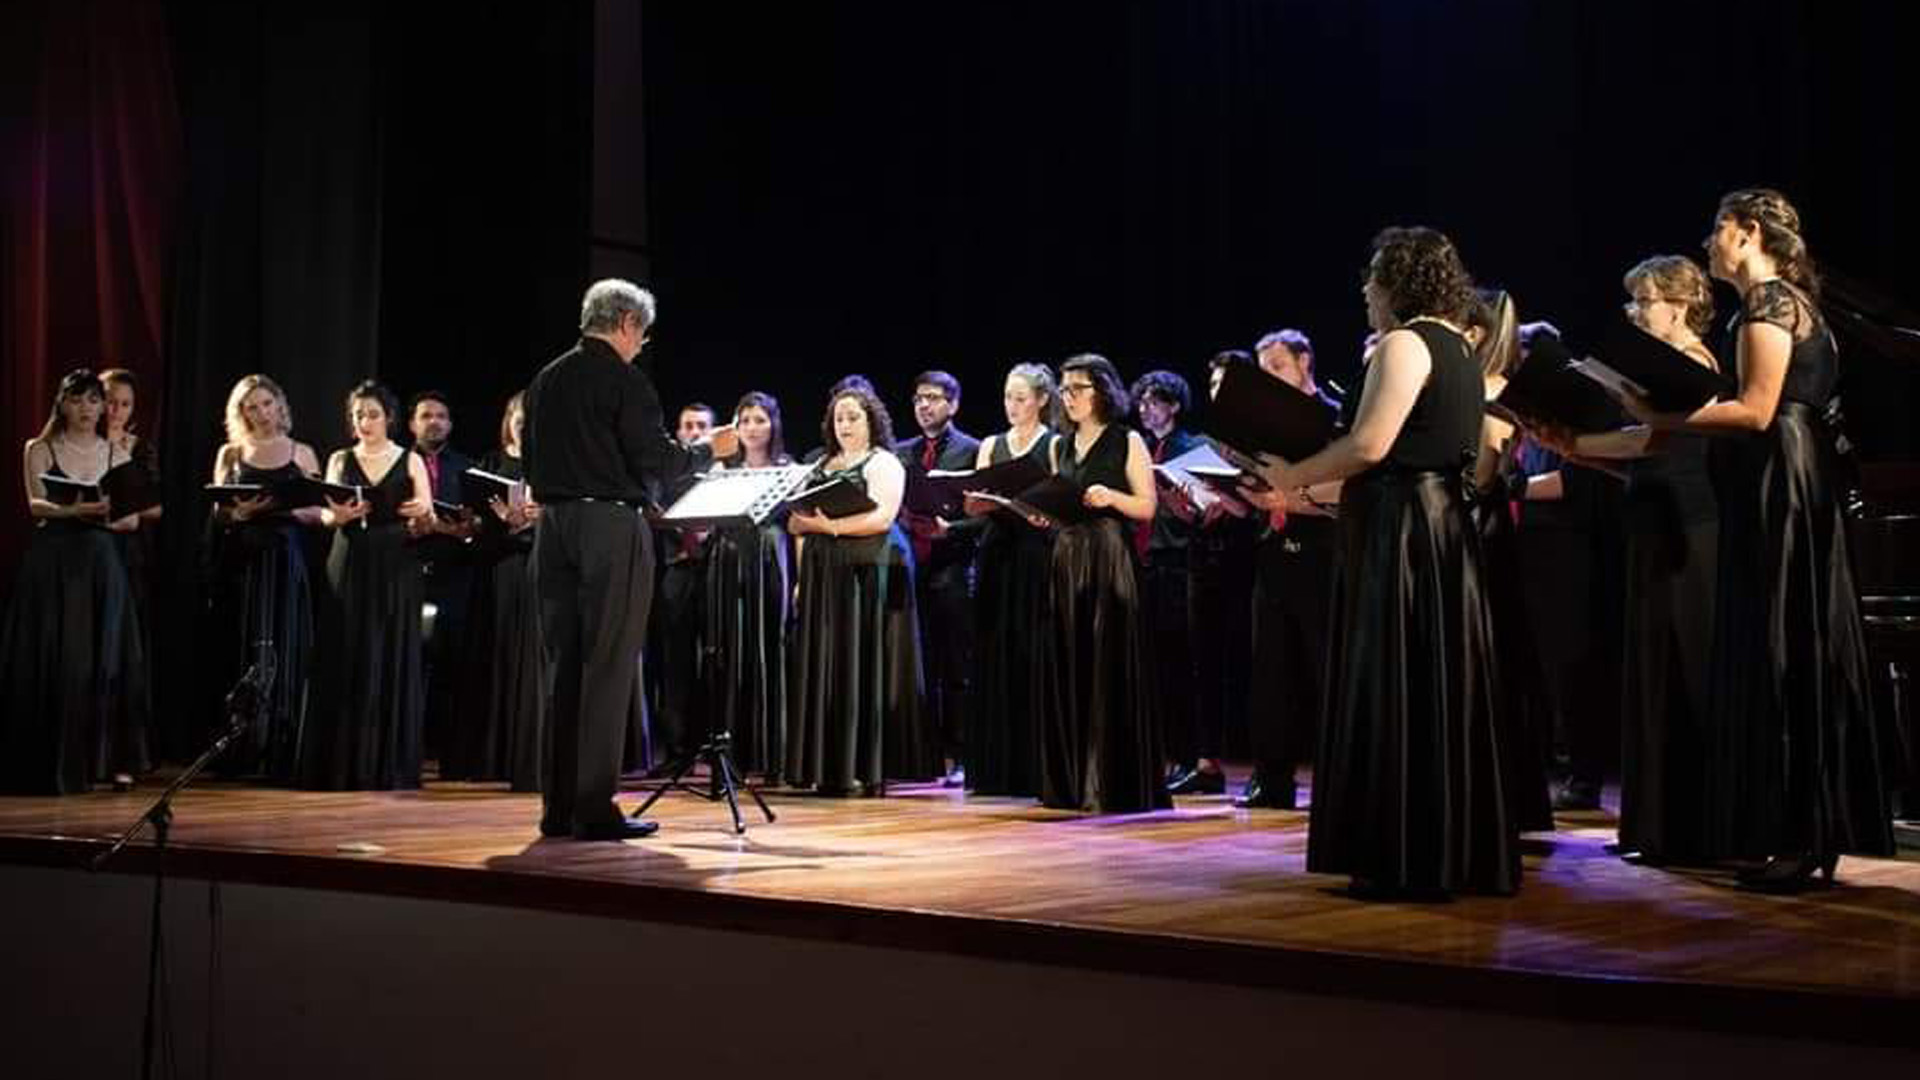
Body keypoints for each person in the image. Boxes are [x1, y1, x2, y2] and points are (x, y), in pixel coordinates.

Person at [1622, 190, 1893, 889]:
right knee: (1789, 643)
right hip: (1787, 473)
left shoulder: (1769, 304)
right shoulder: (1788, 303)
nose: (1710, 242)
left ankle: (1799, 837)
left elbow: (1756, 409)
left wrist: (1659, 411)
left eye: (1718, 229)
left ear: (1747, 234)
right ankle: (1799, 831)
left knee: (1782, 644)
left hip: (1783, 477)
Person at [1261, 227, 1517, 898]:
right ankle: (1447, 848)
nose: (1365, 288)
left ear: (1401, 283)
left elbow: (1371, 444)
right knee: (1433, 688)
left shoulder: (1406, 342)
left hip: (1403, 529)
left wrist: (1294, 476)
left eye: (1375, 275)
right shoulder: (1462, 348)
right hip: (1438, 527)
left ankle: (1401, 850)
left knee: (1395, 681)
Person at [522, 279, 734, 840]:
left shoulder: (544, 379)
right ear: (626, 325)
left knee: (561, 669)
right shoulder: (624, 379)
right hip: (610, 527)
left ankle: (558, 807)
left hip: (553, 527)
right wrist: (709, 448)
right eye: (642, 334)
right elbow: (658, 460)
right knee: (608, 666)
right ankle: (593, 808)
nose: (642, 344)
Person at [1545, 257, 1722, 863]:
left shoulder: (1696, 363)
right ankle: (1659, 827)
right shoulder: (1664, 373)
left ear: (1678, 305)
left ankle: (1697, 828)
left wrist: (1577, 443)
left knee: (1683, 669)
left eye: (1645, 301)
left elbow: (1654, 441)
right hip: (1652, 522)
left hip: (1689, 530)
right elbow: (1636, 457)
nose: (1636, 313)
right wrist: (1575, 450)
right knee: (1654, 671)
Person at [0, 369, 151, 794]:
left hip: (101, 563)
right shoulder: (40, 447)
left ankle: (98, 762)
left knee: (96, 658)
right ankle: (43, 761)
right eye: (77, 400)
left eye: (93, 401)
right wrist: (78, 512)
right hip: (52, 562)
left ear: (102, 407)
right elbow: (35, 505)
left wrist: (107, 514)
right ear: (62, 404)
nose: (86, 409)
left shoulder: (115, 454)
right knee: (54, 655)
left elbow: (133, 517)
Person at [786, 385, 935, 794]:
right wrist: (801, 578)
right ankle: (826, 764)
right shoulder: (820, 463)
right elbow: (797, 525)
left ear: (871, 420)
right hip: (824, 573)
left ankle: (863, 764)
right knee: (827, 663)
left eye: (854, 417)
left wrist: (823, 526)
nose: (846, 425)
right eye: (839, 418)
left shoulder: (883, 462)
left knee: (861, 662)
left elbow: (881, 520)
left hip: (866, 571)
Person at [1038, 354, 1169, 814]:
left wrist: (1111, 496)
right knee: (1071, 661)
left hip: (1109, 555)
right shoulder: (1060, 445)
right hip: (1068, 555)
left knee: (1108, 662)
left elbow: (1147, 507)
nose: (1069, 397)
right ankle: (1073, 781)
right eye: (1064, 389)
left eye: (1078, 388)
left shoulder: (1126, 439)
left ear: (1102, 391)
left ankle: (1112, 782)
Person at [302, 381, 434, 791]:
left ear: (389, 418)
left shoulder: (409, 459)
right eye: (358, 415)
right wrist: (337, 516)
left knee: (388, 649)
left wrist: (418, 514)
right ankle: (340, 762)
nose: (365, 422)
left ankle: (386, 762)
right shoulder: (341, 459)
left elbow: (425, 517)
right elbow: (326, 517)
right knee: (347, 650)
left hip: (394, 563)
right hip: (350, 559)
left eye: (373, 414)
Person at [1233, 335, 1341, 810]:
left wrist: (1289, 498)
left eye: (1278, 366)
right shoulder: (1264, 425)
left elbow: (1347, 491)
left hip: (1323, 553)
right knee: (1271, 670)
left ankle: (1338, 779)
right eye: (1264, 371)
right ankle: (1272, 779)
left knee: (1323, 667)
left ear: (1304, 362)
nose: (1270, 378)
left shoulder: (1337, 416)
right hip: (1274, 551)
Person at [1463, 293, 1556, 833]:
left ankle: (1497, 800)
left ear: (1476, 334)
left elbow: (1480, 478)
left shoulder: (1491, 391)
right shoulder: (1495, 388)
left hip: (1486, 535)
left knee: (1492, 664)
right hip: (1490, 533)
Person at [204, 374, 326, 781]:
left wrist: (283, 508)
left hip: (286, 557)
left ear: (280, 406)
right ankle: (241, 747)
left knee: (285, 647)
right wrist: (238, 513)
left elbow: (318, 513)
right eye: (251, 407)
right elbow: (217, 511)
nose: (260, 413)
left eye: (266, 404)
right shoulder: (231, 453)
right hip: (243, 560)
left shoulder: (301, 452)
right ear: (241, 413)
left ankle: (282, 750)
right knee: (242, 646)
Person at [963, 363, 1061, 797]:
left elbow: (1060, 500)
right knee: (994, 649)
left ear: (1041, 400)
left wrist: (1039, 510)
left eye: (1021, 398)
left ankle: (1034, 765)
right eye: (1007, 397)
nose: (1012, 406)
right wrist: (981, 503)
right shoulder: (991, 445)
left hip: (1035, 556)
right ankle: (994, 768)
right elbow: (973, 504)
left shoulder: (1054, 443)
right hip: (997, 552)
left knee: (1031, 650)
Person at [446, 391, 545, 788]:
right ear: (509, 418)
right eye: (518, 415)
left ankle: (525, 756)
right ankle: (489, 755)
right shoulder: (489, 462)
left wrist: (535, 519)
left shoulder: (551, 462)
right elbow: (473, 517)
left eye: (531, 415)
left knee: (529, 662)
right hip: (498, 567)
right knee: (496, 654)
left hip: (537, 565)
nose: (523, 421)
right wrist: (498, 519)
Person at [895, 370, 982, 786]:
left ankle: (964, 756)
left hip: (954, 566)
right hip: (914, 566)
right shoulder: (901, 452)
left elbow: (985, 515)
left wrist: (951, 530)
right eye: (917, 399)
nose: (923, 406)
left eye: (932, 398)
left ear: (954, 404)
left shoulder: (972, 450)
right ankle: (923, 756)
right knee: (920, 665)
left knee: (957, 668)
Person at [704, 391, 795, 779]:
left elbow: (797, 530)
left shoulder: (789, 468)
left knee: (769, 650)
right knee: (730, 650)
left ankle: (773, 756)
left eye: (760, 420)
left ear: (773, 424)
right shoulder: (721, 469)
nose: (752, 428)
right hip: (728, 561)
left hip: (770, 560)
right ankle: (731, 757)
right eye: (744, 421)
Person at [405, 390, 478, 770]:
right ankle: (406, 750)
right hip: (409, 572)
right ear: (412, 423)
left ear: (450, 424)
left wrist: (459, 530)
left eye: (441, 415)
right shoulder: (398, 463)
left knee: (452, 667)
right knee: (409, 666)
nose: (434, 421)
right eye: (426, 415)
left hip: (454, 575)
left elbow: (476, 526)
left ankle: (450, 754)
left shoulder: (466, 469)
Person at [646, 402, 720, 769]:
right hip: (676, 569)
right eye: (687, 426)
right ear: (677, 434)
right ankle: (677, 750)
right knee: (674, 663)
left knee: (714, 657)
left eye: (701, 427)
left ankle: (715, 744)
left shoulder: (721, 472)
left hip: (713, 569)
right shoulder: (663, 476)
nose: (693, 432)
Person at [100, 368, 165, 771]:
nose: (116, 410)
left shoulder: (140, 449)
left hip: (126, 552)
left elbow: (155, 508)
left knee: (124, 648)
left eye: (125, 404)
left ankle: (124, 751)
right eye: (109, 401)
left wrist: (128, 517)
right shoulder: (77, 442)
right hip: (84, 548)